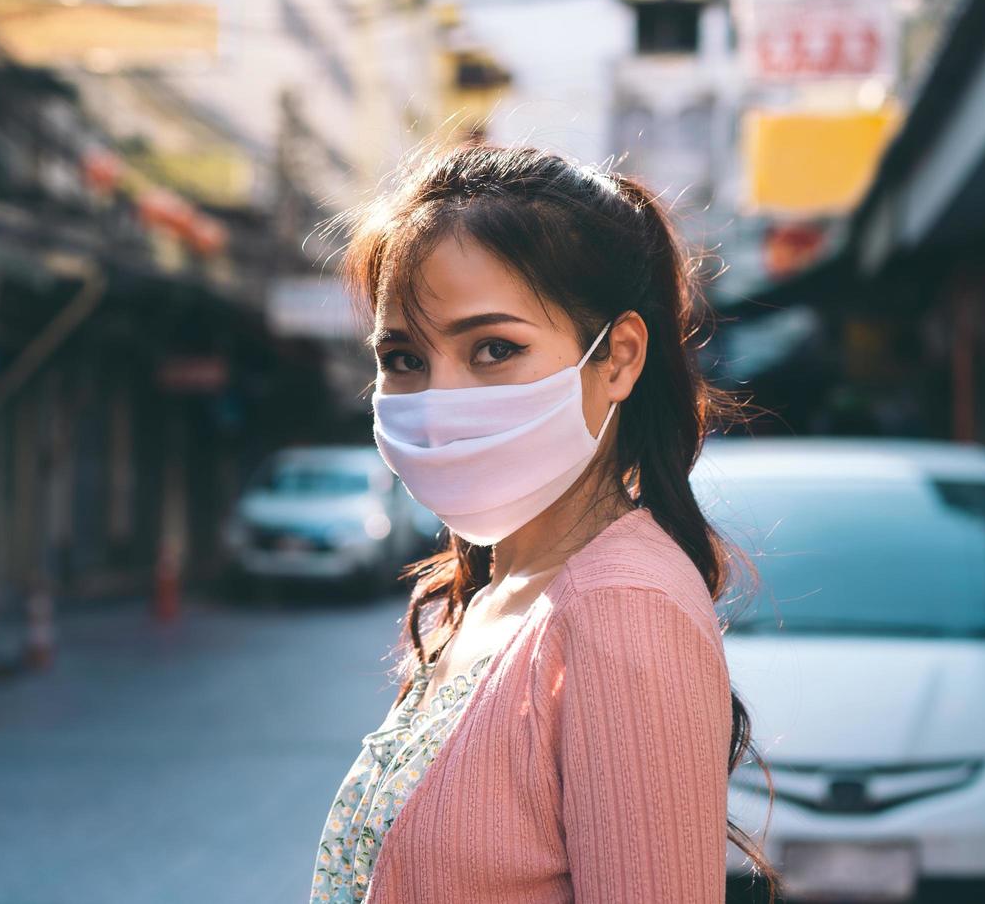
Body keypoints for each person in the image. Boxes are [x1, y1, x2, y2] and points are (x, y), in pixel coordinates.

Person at [308, 143, 780, 903]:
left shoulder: (624, 609)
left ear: (618, 358)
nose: (439, 400)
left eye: (495, 349)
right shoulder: (495, 590)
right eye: (402, 358)